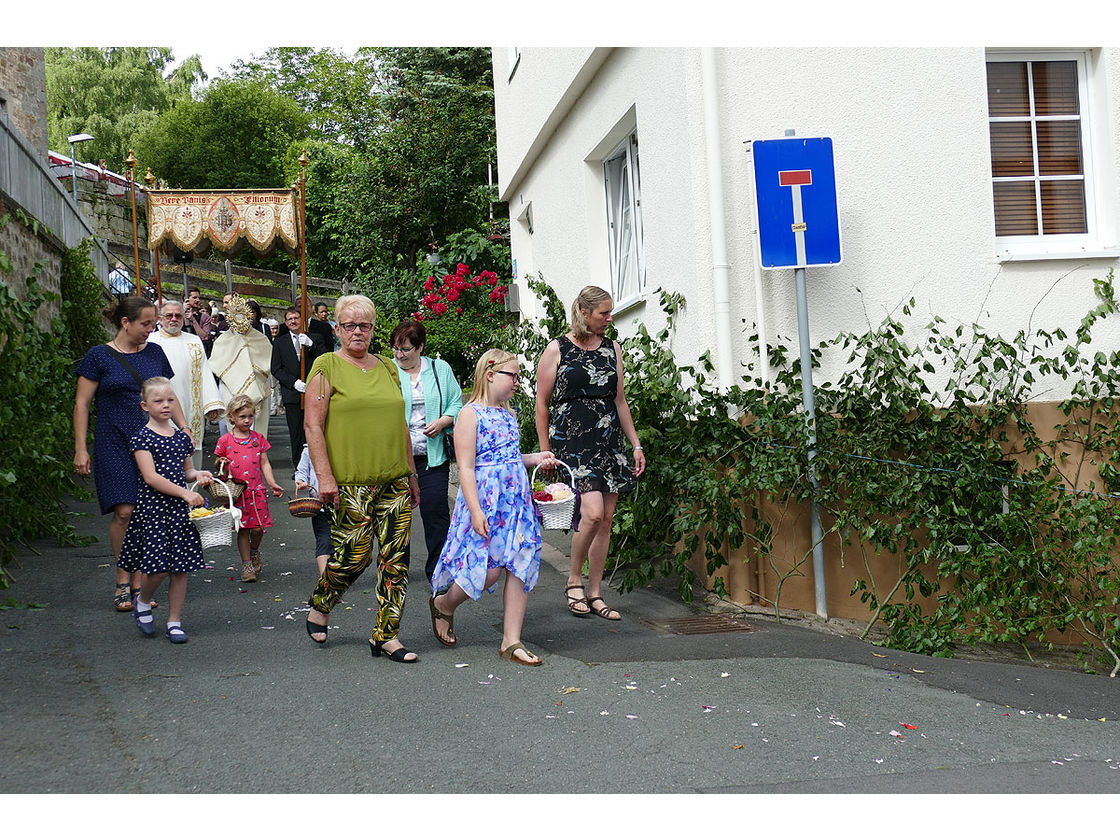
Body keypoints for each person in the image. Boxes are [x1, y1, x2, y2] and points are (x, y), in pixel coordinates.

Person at [303, 294, 421, 663]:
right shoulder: (326, 366)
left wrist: (412, 473)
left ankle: (386, 635)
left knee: (396, 559)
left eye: (365, 325)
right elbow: (312, 424)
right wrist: (324, 477)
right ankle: (322, 602)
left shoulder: (388, 366)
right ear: (337, 329)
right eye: (350, 325)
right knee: (354, 557)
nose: (358, 331)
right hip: (349, 480)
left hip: (394, 479)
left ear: (373, 329)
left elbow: (400, 424)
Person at [428, 349, 559, 666]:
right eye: (511, 375)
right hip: (486, 503)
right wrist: (475, 511)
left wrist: (535, 458)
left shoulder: (509, 415)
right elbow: (468, 468)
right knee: (486, 574)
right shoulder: (470, 414)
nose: (517, 382)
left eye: (517, 376)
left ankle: (511, 640)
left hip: (516, 503)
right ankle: (445, 604)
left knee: (520, 563)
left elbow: (511, 458)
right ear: (490, 374)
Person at [535, 285, 646, 621]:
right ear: (584, 312)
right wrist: (545, 451)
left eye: (611, 312)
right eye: (604, 313)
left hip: (609, 441)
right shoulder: (558, 349)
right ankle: (573, 580)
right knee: (593, 513)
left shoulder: (613, 348)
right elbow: (541, 404)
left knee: (608, 519)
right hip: (572, 440)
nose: (610, 319)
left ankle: (596, 592)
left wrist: (635, 444)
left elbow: (620, 400)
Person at [74, 296, 185, 612]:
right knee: (124, 511)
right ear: (126, 322)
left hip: (152, 443)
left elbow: (168, 396)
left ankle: (140, 581)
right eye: (146, 324)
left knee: (147, 512)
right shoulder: (99, 356)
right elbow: (82, 404)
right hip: (113, 442)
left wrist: (184, 426)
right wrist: (81, 448)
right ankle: (123, 579)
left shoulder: (155, 353)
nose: (152, 329)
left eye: (153, 323)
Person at [117, 377, 214, 643]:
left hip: (178, 512)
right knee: (158, 569)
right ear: (145, 405)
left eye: (170, 400)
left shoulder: (181, 439)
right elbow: (151, 477)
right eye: (158, 401)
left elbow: (187, 471)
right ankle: (144, 600)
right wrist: (184, 492)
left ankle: (174, 620)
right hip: (154, 510)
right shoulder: (142, 438)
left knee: (179, 569)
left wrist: (199, 474)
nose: (166, 405)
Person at [390, 319, 463, 586]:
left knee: (435, 513)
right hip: (397, 458)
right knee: (398, 516)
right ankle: (397, 569)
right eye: (396, 349)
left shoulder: (439, 368)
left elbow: (456, 403)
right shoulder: (387, 370)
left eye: (405, 349)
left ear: (420, 347)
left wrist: (443, 421)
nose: (399, 355)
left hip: (433, 455)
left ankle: (438, 571)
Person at [214, 394, 284, 583]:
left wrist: (271, 483)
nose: (247, 420)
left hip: (257, 490)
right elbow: (217, 461)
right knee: (243, 529)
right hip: (237, 493)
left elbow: (264, 463)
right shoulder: (225, 441)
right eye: (242, 417)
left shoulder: (258, 439)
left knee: (258, 528)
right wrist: (221, 461)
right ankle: (246, 564)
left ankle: (254, 550)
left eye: (250, 416)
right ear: (232, 418)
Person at [148, 300, 225, 470]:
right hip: (159, 407)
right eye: (169, 315)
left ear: (184, 318)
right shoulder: (150, 341)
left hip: (190, 409)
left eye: (178, 315)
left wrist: (211, 404)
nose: (173, 319)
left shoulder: (194, 341)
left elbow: (205, 371)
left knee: (190, 458)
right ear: (160, 318)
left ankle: (191, 493)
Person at [209, 294, 273, 439]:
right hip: (230, 389)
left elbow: (267, 362)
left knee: (257, 429)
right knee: (231, 427)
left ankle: (257, 455)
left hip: (258, 387)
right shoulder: (223, 340)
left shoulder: (260, 338)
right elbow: (216, 364)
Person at [271, 306, 326, 469]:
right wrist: (294, 383)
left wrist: (311, 345)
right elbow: (276, 368)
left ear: (302, 320)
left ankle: (316, 466)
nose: (293, 321)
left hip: (314, 392)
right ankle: (298, 467)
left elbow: (325, 358)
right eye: (290, 319)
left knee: (315, 430)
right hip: (292, 395)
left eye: (296, 318)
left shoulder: (315, 338)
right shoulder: (280, 342)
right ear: (286, 323)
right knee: (296, 432)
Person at [294, 443, 331, 578]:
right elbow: (301, 471)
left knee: (342, 544)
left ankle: (335, 579)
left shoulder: (344, 444)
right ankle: (326, 582)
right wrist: (301, 481)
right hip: (319, 506)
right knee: (323, 541)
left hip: (344, 503)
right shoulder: (309, 449)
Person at [182, 287, 212, 354]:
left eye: (198, 297)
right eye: (194, 297)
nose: (198, 300)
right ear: (185, 298)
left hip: (198, 350)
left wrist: (193, 321)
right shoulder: (177, 314)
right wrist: (182, 312)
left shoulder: (205, 317)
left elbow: (205, 337)